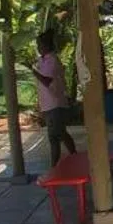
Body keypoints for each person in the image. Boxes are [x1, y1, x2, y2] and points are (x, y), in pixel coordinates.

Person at [31, 28, 76, 166]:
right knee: (60, 133)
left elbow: (47, 81)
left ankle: (54, 166)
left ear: (46, 46)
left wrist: (33, 70)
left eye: (39, 45)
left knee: (55, 136)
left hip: (55, 103)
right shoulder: (42, 60)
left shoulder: (53, 61)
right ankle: (72, 155)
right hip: (48, 104)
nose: (38, 48)